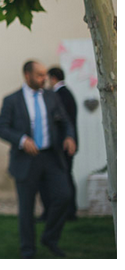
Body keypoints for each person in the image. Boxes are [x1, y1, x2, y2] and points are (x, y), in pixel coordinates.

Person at [0, 60, 76, 259]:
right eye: (40, 75)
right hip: (25, 159)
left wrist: (69, 136)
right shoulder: (11, 100)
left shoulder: (51, 97)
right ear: (27, 75)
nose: (44, 78)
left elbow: (65, 121)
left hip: (51, 157)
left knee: (64, 196)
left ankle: (49, 237)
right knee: (26, 208)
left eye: (45, 74)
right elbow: (0, 128)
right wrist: (21, 140)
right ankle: (28, 251)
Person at [39, 67, 79, 222]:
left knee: (65, 177)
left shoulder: (59, 95)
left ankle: (69, 211)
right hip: (65, 143)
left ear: (53, 78)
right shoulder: (66, 93)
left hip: (63, 144)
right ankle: (67, 211)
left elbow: (63, 122)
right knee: (66, 176)